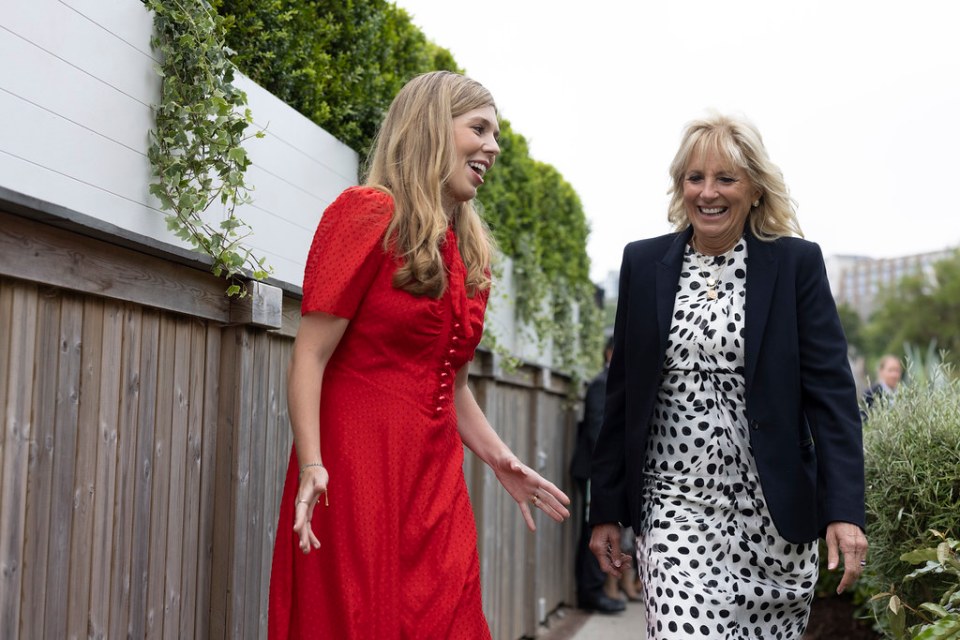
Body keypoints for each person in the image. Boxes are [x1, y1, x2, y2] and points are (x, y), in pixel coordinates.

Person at [268, 71, 570, 640]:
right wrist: (313, 464)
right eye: (478, 128)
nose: (493, 147)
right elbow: (308, 355)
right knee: (361, 621)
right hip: (356, 465)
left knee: (449, 616)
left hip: (435, 477)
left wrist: (501, 458)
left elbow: (449, 385)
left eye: (496, 134)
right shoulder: (365, 213)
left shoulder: (466, 249)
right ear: (432, 126)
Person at [588, 113, 868, 640]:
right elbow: (622, 394)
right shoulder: (643, 264)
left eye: (726, 178)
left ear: (755, 189)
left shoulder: (795, 265)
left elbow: (832, 397)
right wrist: (605, 507)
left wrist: (845, 510)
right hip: (675, 507)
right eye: (695, 178)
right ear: (680, 186)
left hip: (774, 519)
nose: (708, 193)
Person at [571, 337, 627, 613]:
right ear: (609, 352)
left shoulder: (615, 383)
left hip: (602, 471)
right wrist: (606, 471)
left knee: (597, 530)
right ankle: (591, 593)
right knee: (594, 531)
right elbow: (597, 432)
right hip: (595, 470)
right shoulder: (601, 383)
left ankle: (594, 591)